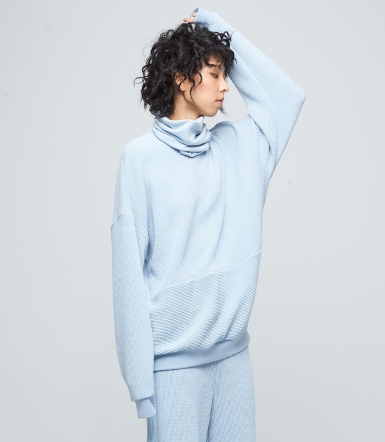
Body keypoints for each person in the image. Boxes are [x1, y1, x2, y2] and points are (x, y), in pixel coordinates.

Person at [111, 6, 306, 441]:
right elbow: (128, 276)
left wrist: (215, 26)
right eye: (214, 74)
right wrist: (140, 383)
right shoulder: (140, 160)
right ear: (182, 78)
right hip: (173, 369)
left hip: (234, 360)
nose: (225, 87)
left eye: (225, 75)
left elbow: (287, 98)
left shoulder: (241, 147)